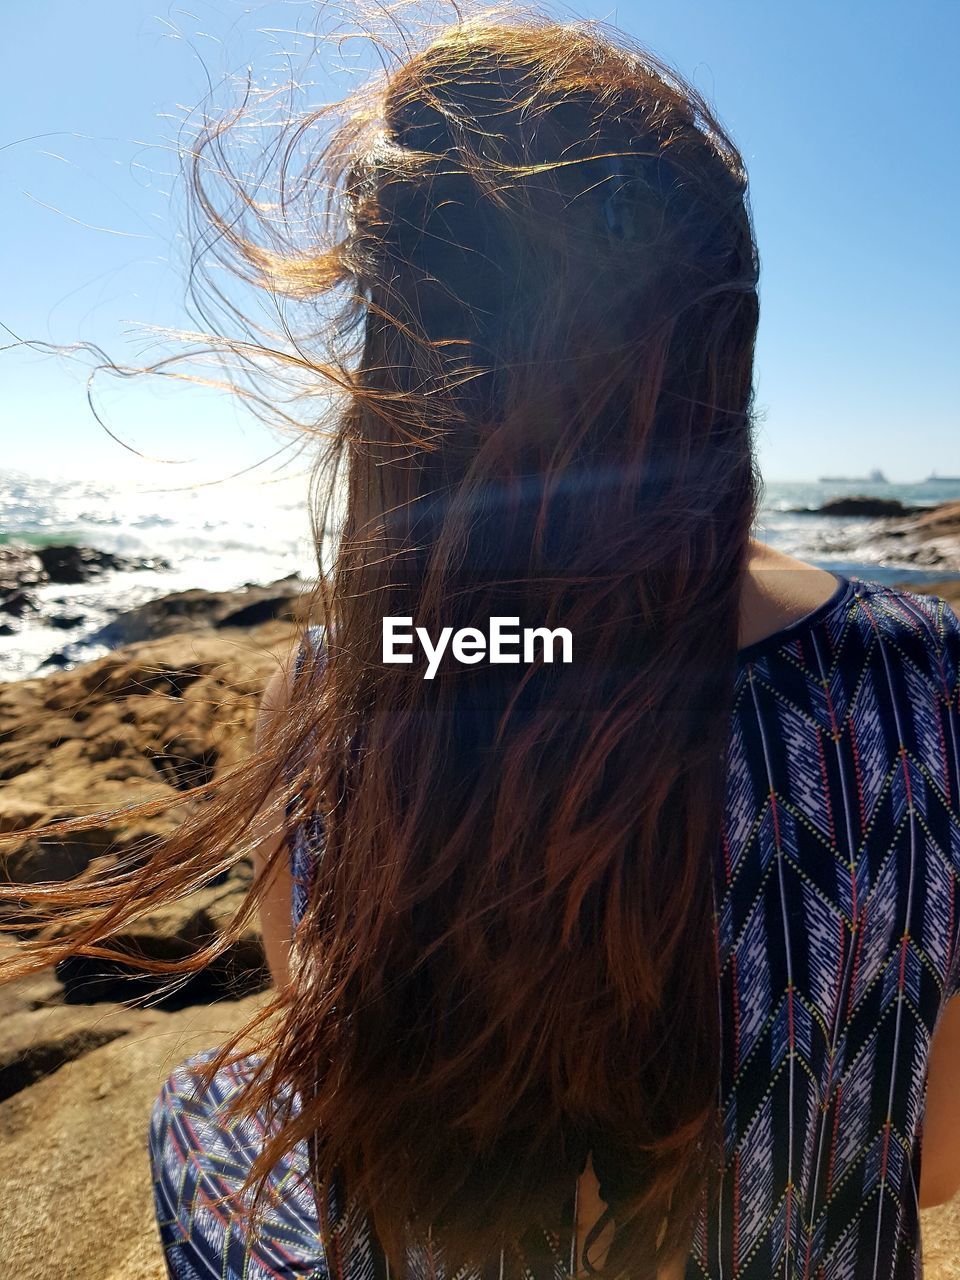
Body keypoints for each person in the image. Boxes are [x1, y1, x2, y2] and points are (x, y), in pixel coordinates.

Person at [5, 9, 960, 1280]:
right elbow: (932, 1157)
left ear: (399, 372)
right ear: (721, 350)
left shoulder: (350, 692)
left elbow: (341, 1064)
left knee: (197, 1114)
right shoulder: (919, 679)